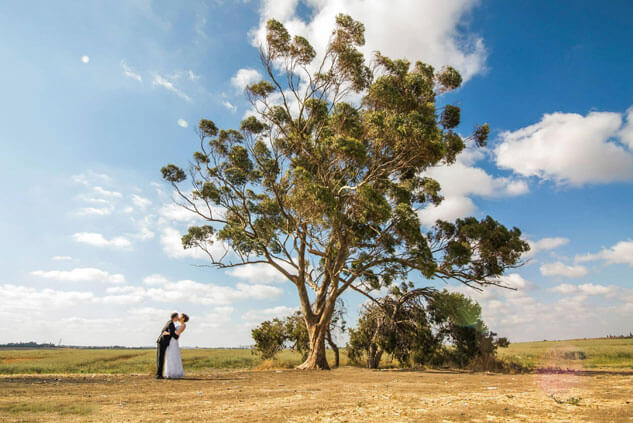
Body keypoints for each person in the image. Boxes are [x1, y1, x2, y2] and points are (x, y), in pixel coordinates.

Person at [162, 313, 189, 379]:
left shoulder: (183, 325)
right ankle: (171, 372)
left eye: (181, 316)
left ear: (183, 319)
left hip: (174, 341)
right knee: (170, 356)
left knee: (173, 355)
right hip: (172, 340)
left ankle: (174, 373)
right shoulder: (179, 325)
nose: (179, 317)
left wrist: (166, 333)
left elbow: (177, 333)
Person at [156, 312, 180, 379]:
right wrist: (177, 336)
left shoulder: (169, 322)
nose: (178, 318)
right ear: (175, 317)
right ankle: (159, 375)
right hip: (163, 342)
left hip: (162, 341)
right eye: (177, 317)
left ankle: (159, 374)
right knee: (160, 358)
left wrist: (168, 333)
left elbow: (166, 331)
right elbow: (172, 333)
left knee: (160, 358)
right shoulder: (171, 324)